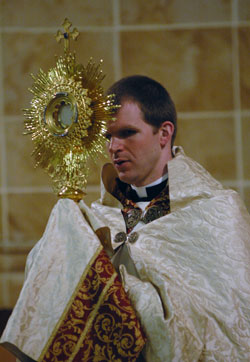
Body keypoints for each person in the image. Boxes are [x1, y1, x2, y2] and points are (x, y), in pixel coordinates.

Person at [1, 75, 250, 361]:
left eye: (127, 133)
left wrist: (122, 291)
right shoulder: (98, 217)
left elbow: (229, 327)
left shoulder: (216, 210)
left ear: (164, 134)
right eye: (108, 136)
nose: (113, 146)